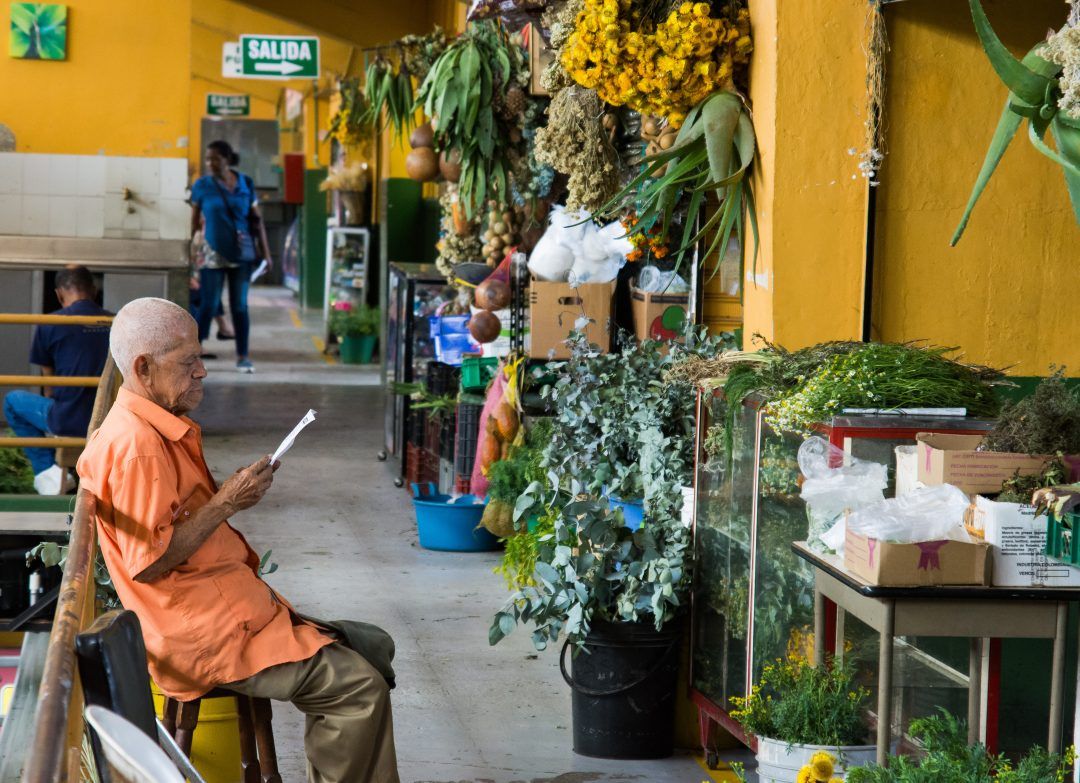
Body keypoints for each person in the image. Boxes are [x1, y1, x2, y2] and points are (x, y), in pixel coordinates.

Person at [77, 298, 399, 783]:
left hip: (224, 606)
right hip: (201, 633)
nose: (202, 372)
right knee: (358, 689)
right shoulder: (137, 447)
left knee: (372, 646)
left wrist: (226, 498)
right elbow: (150, 561)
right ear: (143, 368)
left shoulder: (153, 428)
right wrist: (226, 502)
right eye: (189, 363)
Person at [4, 266, 110, 495]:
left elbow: (48, 383)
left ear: (59, 294)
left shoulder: (50, 322)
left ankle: (48, 474)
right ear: (93, 290)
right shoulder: (116, 321)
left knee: (12, 401)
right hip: (111, 421)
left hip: (68, 419)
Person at [189, 140, 271, 373]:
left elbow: (256, 220)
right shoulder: (202, 185)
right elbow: (194, 223)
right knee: (209, 304)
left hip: (241, 253)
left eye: (215, 158)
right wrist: (190, 254)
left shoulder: (245, 183)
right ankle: (195, 354)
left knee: (240, 307)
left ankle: (243, 356)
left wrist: (265, 252)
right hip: (211, 252)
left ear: (227, 159)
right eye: (207, 159)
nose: (210, 163)